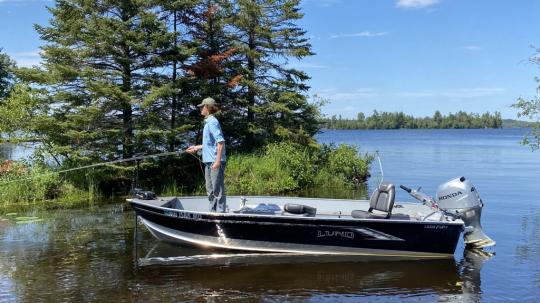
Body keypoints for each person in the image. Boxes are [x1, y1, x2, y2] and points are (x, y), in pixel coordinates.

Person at [186, 97, 227, 212]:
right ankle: (212, 212)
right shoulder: (208, 121)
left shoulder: (212, 122)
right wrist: (196, 147)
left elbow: (220, 142)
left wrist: (218, 161)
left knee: (217, 189)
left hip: (215, 161)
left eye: (202, 106)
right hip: (208, 161)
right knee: (209, 189)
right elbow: (210, 144)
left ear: (207, 108)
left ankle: (220, 214)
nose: (200, 109)